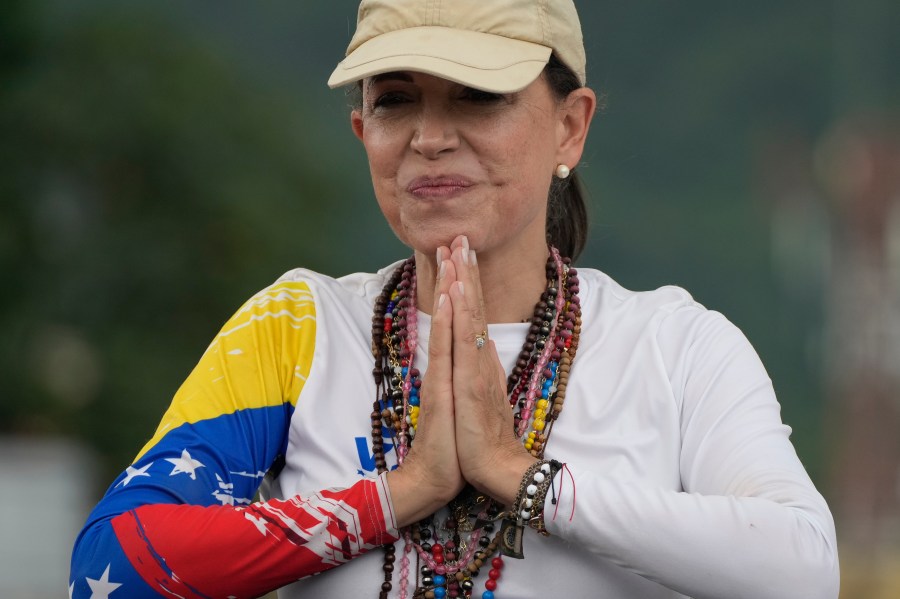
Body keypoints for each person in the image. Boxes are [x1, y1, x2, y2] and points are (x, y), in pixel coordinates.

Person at [69, 1, 840, 597]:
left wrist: (523, 476)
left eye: (478, 96)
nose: (430, 136)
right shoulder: (298, 328)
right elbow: (113, 565)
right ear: (360, 128)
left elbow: (801, 568)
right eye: (397, 99)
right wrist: (400, 493)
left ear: (571, 128)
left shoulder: (676, 347)